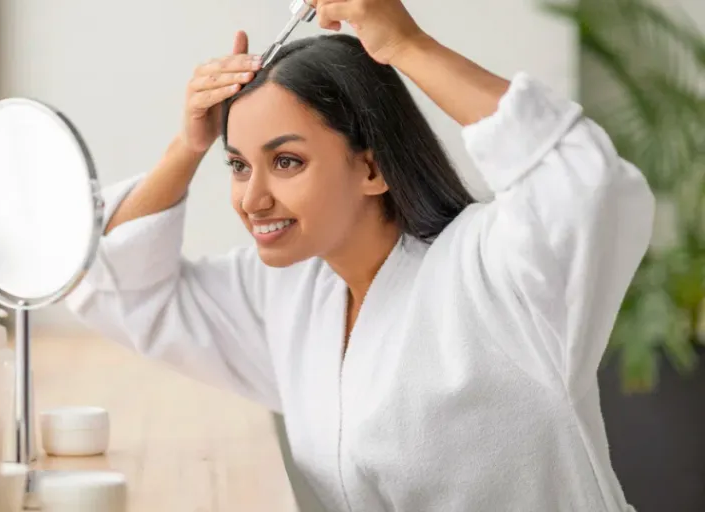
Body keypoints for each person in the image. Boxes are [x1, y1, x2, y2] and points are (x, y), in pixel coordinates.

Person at [64, 0, 655, 510]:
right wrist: (187, 147)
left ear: (372, 166)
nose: (252, 198)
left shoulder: (493, 274)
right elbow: (125, 285)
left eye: (286, 161)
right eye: (238, 165)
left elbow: (580, 183)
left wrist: (405, 42)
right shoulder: (294, 294)